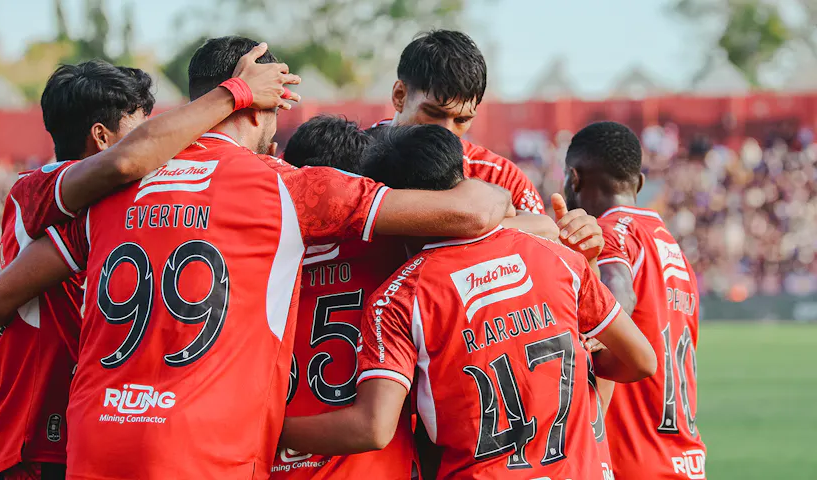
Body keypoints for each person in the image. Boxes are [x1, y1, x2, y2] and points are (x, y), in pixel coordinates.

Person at [0, 36, 517, 480]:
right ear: (262, 108)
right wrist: (511, 207)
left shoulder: (113, 185)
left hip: (97, 440)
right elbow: (468, 215)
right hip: (209, 447)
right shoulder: (281, 188)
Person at [0, 51, 301, 480]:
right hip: (25, 441)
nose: (160, 139)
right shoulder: (45, 186)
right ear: (102, 138)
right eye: (143, 127)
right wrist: (236, 93)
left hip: (76, 433)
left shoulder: (109, 201)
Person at [279, 124, 658, 480]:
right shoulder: (557, 256)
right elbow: (642, 360)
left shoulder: (401, 295)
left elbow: (374, 426)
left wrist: (270, 430)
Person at [563, 121, 706, 479]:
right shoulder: (675, 251)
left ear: (574, 179)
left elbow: (617, 292)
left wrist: (598, 327)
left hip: (635, 463)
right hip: (685, 460)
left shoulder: (610, 234)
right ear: (639, 184)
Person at [373, 30, 546, 215]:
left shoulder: (502, 178)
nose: (447, 132)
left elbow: (547, 236)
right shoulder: (350, 162)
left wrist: (573, 238)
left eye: (461, 120)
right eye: (433, 113)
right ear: (399, 96)